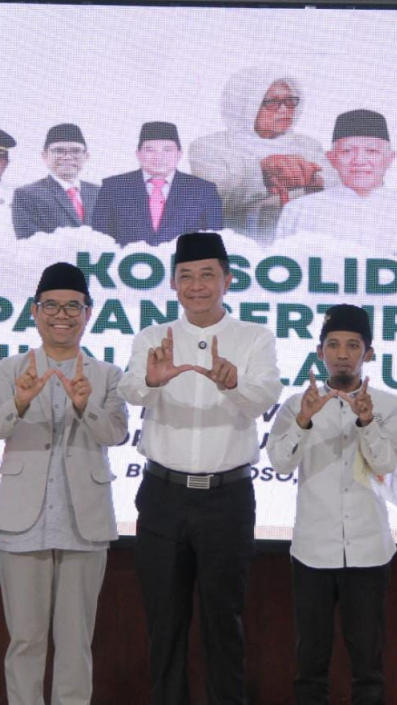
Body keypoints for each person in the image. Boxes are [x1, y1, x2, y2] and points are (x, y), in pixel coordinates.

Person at [119, 231, 282, 704]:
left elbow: (263, 398)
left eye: (207, 275)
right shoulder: (153, 338)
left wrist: (232, 384)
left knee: (223, 624)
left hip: (226, 500)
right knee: (163, 627)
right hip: (163, 496)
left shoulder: (254, 338)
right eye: (186, 276)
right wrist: (152, 380)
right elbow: (129, 391)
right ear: (173, 284)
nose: (196, 286)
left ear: (227, 281)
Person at [0, 262, 127, 705]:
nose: (61, 315)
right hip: (23, 523)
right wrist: (20, 403)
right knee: (24, 642)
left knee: (75, 645)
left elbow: (116, 433)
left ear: (89, 313)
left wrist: (87, 407)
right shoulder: (9, 370)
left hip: (85, 524)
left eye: (72, 306)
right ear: (34, 311)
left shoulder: (106, 375)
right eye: (51, 305)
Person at [265, 304, 397, 705]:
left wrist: (366, 423)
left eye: (352, 345)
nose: (342, 353)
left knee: (369, 670)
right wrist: (305, 422)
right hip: (313, 552)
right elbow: (280, 462)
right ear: (320, 351)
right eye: (333, 345)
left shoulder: (390, 406)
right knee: (309, 669)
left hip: (369, 551)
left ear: (369, 353)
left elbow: (385, 464)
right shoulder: (297, 404)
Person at [189, 69, 334, 243]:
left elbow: (333, 185)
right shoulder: (209, 147)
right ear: (244, 105)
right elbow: (213, 198)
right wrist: (262, 172)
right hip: (235, 245)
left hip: (298, 243)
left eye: (289, 101)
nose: (284, 110)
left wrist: (316, 182)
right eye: (273, 102)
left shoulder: (308, 145)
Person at [276, 109, 397, 251]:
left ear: (390, 158)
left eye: (372, 151)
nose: (359, 160)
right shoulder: (299, 210)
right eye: (347, 151)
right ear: (331, 159)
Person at [90, 122, 224, 246]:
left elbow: (214, 240)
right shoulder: (113, 187)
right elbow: (100, 239)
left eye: (167, 150)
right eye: (150, 150)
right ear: (138, 154)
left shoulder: (204, 190)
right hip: (125, 268)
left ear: (179, 154)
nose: (159, 157)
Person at [11, 123, 99, 239]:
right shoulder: (27, 194)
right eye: (59, 151)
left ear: (86, 156)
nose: (67, 157)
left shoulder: (101, 193)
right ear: (44, 156)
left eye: (76, 151)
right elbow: (28, 242)